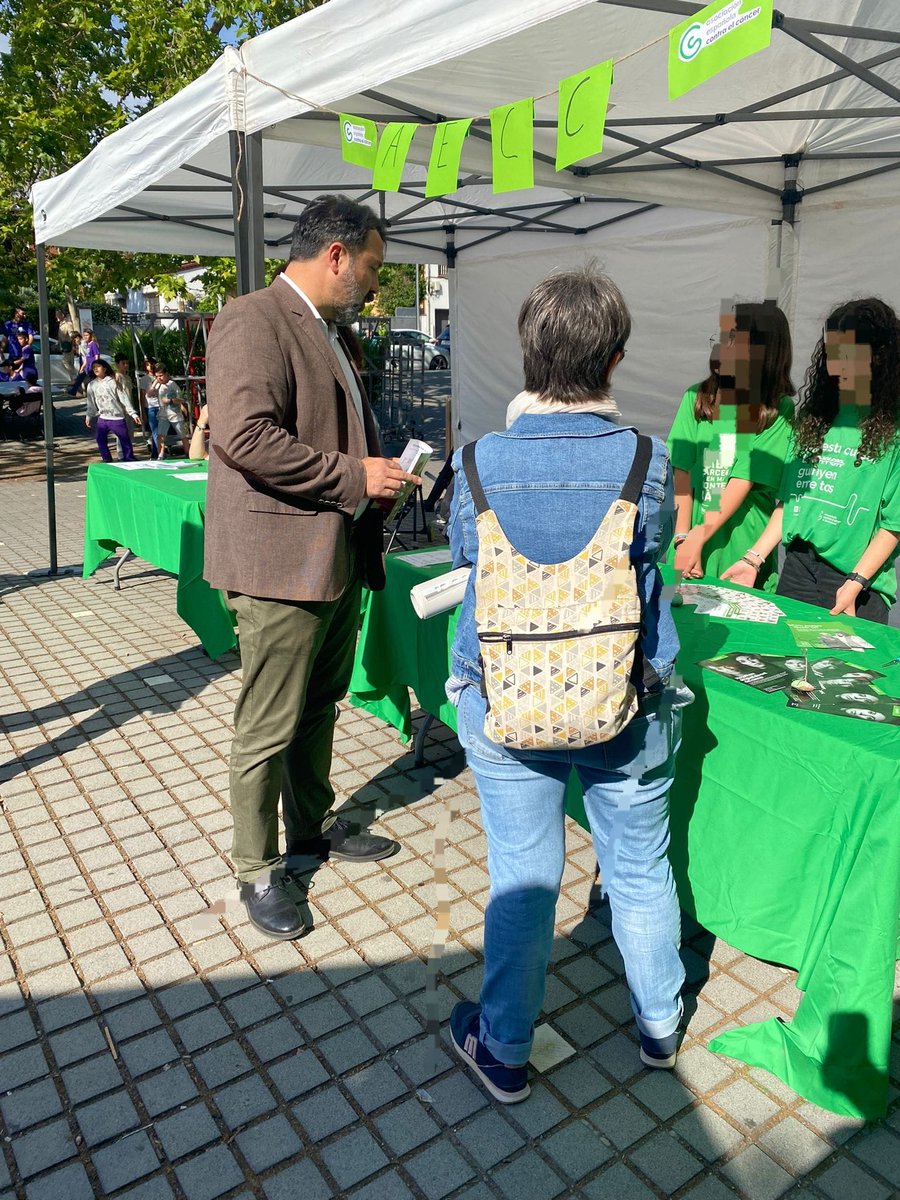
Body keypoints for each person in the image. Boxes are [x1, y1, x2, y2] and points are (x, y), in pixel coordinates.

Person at [445, 265, 687, 1103]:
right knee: (642, 868)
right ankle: (660, 1028)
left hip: (505, 700)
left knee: (524, 871)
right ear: (615, 359)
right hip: (626, 701)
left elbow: (467, 568)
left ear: (527, 355)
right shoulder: (650, 463)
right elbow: (654, 572)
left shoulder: (476, 463)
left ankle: (505, 1047)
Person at [204, 194, 420, 940]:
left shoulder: (328, 332)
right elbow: (246, 437)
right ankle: (256, 872)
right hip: (277, 568)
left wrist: (378, 477)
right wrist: (355, 477)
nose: (374, 283)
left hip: (329, 561)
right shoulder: (253, 318)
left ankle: (309, 832)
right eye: (372, 266)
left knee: (319, 706)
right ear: (335, 254)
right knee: (268, 724)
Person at [723, 298, 900, 623]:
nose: (837, 367)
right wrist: (752, 559)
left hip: (857, 585)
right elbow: (790, 503)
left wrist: (857, 582)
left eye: (849, 356)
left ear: (878, 357)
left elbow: (894, 525)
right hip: (798, 569)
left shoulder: (893, 430)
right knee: (788, 669)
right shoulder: (815, 418)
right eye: (833, 355)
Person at [668, 302, 795, 584]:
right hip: (686, 544)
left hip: (738, 552)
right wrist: (682, 538)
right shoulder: (696, 397)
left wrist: (698, 538)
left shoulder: (779, 409)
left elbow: (743, 479)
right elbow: (682, 473)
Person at [85, 357, 141, 462]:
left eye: (98, 367)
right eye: (93, 367)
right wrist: (89, 415)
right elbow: (91, 403)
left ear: (105, 369)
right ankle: (107, 460)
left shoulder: (113, 382)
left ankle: (128, 458)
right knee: (100, 440)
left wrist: (133, 413)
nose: (96, 369)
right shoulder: (92, 385)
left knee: (125, 440)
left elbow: (124, 398)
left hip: (117, 418)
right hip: (102, 418)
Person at [154, 365, 190, 459]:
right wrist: (155, 383)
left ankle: (188, 453)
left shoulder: (172, 384)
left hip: (174, 414)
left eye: (161, 375)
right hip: (163, 414)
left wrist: (170, 400)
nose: (159, 378)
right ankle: (160, 455)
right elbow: (149, 393)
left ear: (166, 374)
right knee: (160, 435)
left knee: (182, 435)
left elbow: (180, 399)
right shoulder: (157, 384)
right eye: (157, 376)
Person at [138, 356, 160, 458]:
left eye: (152, 364)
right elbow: (142, 397)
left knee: (160, 431)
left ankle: (157, 452)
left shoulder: (160, 376)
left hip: (161, 406)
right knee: (154, 431)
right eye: (147, 364)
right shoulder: (144, 379)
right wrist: (142, 412)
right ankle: (157, 453)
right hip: (150, 407)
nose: (150, 366)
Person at [68, 328, 99, 395]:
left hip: (90, 365)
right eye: (84, 335)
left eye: (75, 339)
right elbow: (87, 357)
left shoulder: (85, 344)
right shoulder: (85, 344)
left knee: (89, 379)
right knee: (83, 378)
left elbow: (93, 355)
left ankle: (74, 391)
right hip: (86, 365)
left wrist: (96, 364)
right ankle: (75, 391)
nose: (74, 341)